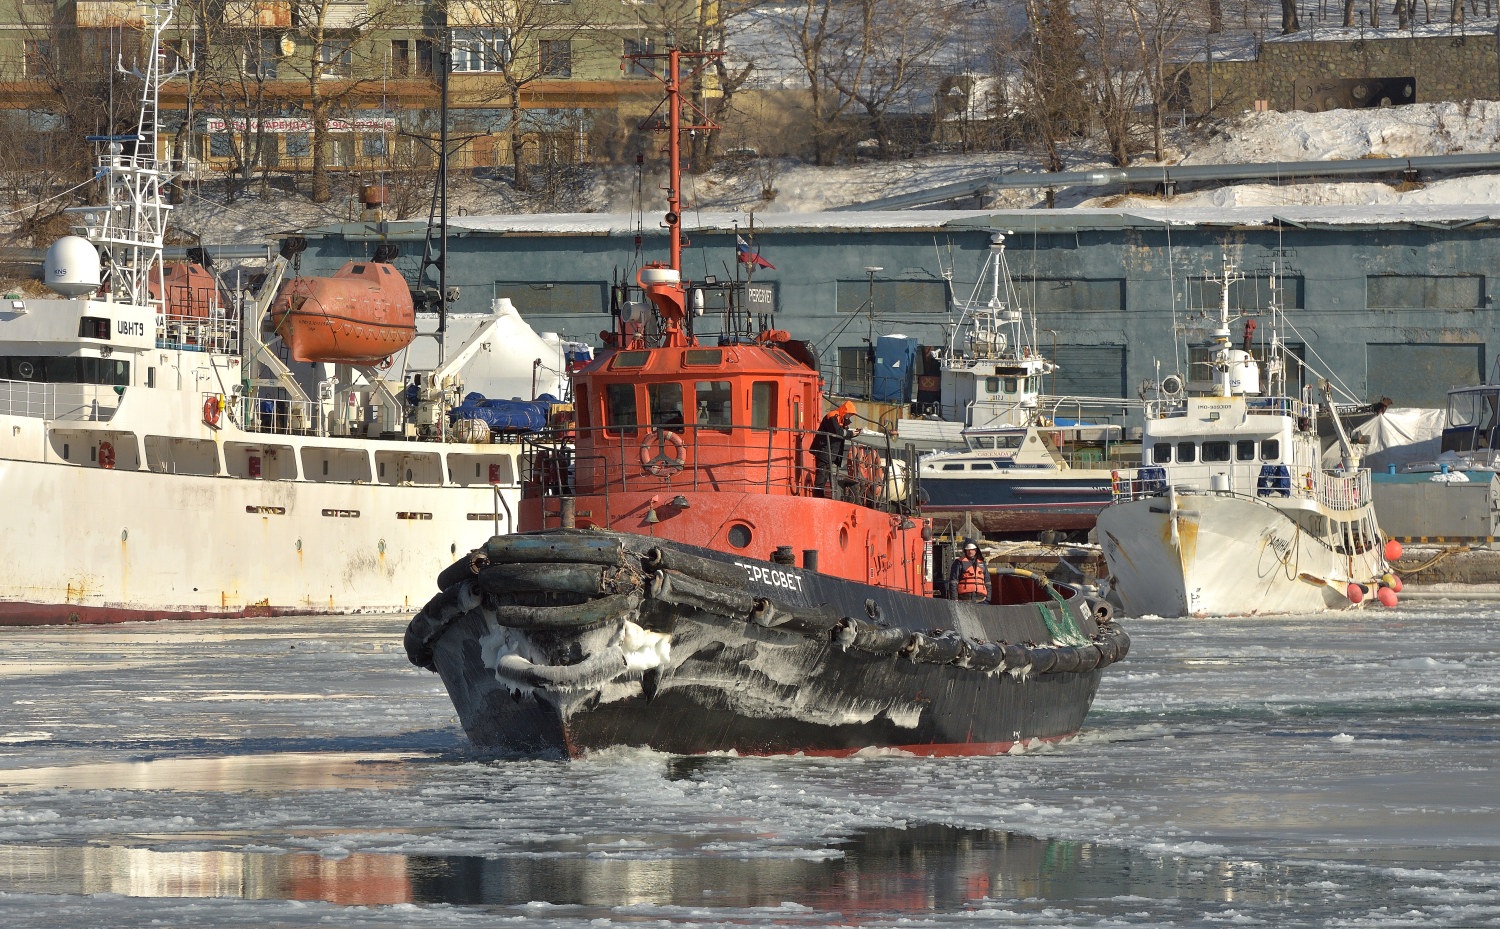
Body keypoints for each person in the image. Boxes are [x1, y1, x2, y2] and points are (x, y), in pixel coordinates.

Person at [810, 401, 858, 497]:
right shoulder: (833, 416)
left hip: (830, 452)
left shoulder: (841, 419)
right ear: (845, 411)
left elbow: (843, 433)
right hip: (824, 450)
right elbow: (838, 432)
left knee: (825, 475)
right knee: (821, 475)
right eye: (849, 414)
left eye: (851, 415)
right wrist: (851, 434)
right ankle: (818, 496)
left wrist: (850, 429)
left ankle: (820, 496)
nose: (849, 416)